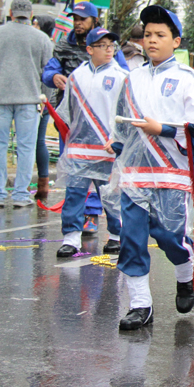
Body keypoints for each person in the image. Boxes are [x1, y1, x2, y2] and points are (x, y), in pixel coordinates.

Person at [107, 5, 194, 330]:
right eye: (148, 34)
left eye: (160, 35)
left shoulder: (188, 81)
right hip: (136, 174)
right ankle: (140, 304)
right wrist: (118, 144)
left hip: (172, 173)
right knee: (131, 237)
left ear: (176, 41)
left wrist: (163, 129)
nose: (152, 40)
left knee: (170, 237)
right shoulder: (132, 79)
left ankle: (185, 272)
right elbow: (122, 119)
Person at [43, 1, 129, 231]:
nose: (78, 23)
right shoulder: (64, 45)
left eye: (82, 19)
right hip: (74, 122)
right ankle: (74, 226)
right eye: (75, 19)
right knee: (76, 178)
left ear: (93, 20)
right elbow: (50, 69)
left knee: (107, 182)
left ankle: (95, 216)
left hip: (103, 129)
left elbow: (123, 83)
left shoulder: (111, 52)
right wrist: (54, 78)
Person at [55, 27, 127, 257]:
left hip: (107, 148)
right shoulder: (76, 76)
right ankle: (71, 238)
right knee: (74, 194)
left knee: (111, 195)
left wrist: (118, 139)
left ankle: (116, 236)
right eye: (102, 45)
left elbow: (126, 112)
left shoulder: (122, 77)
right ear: (89, 49)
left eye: (111, 45)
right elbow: (67, 112)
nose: (109, 49)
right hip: (79, 148)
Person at [0, 0, 53, 207]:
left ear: (11, 14)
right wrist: (45, 100)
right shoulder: (41, 39)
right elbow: (48, 73)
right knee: (26, 147)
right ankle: (21, 195)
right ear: (30, 15)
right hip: (29, 99)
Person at [32, 14, 56, 199]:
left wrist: (44, 100)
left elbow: (46, 74)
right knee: (36, 141)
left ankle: (43, 180)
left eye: (36, 24)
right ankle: (43, 182)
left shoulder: (45, 45)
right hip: (42, 100)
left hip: (41, 100)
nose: (33, 27)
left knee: (38, 141)